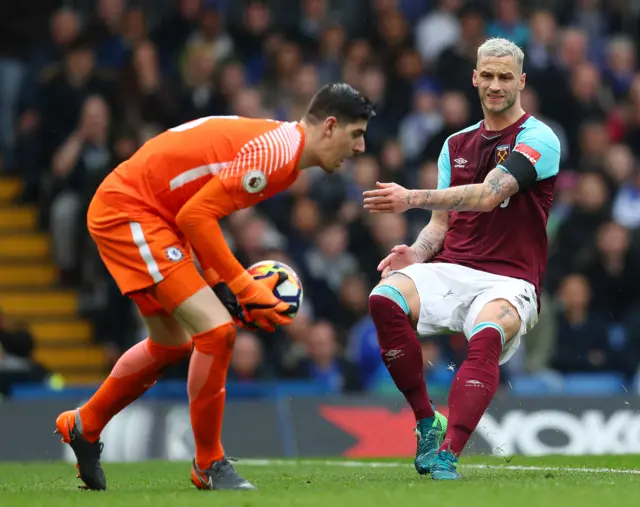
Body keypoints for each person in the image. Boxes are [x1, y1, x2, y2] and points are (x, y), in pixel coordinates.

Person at [54, 83, 375, 491]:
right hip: (133, 210)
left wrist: (218, 282)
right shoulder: (279, 156)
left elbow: (198, 206)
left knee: (172, 344)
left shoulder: (282, 151)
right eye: (356, 134)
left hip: (157, 214)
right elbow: (196, 216)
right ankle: (208, 463)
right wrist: (241, 285)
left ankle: (85, 424)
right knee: (216, 332)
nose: (360, 148)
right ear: (330, 126)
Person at [363, 38, 560, 480]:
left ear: (521, 81)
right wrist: (413, 253)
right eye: (487, 75)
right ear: (474, 78)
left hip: (509, 280)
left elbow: (489, 196)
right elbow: (440, 225)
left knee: (487, 334)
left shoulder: (539, 138)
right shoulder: (455, 144)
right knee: (383, 300)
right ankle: (425, 422)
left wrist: (408, 196)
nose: (495, 85)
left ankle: (450, 453)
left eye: (505, 77)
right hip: (452, 267)